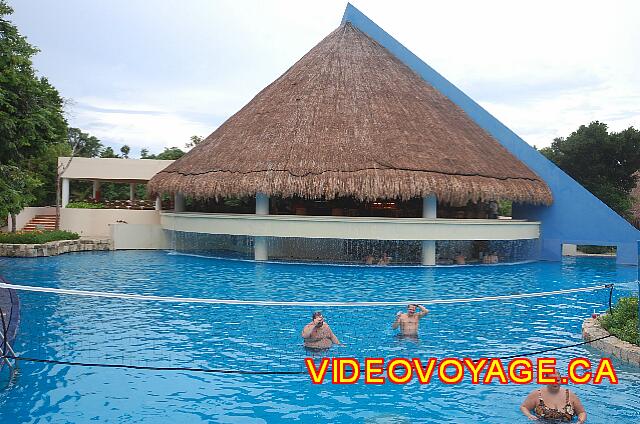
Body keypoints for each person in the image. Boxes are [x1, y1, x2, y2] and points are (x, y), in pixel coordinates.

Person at [520, 371, 587, 423]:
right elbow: (524, 407)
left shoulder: (571, 396)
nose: (555, 383)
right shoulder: (536, 395)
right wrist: (529, 415)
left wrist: (580, 421)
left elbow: (581, 412)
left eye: (557, 380)